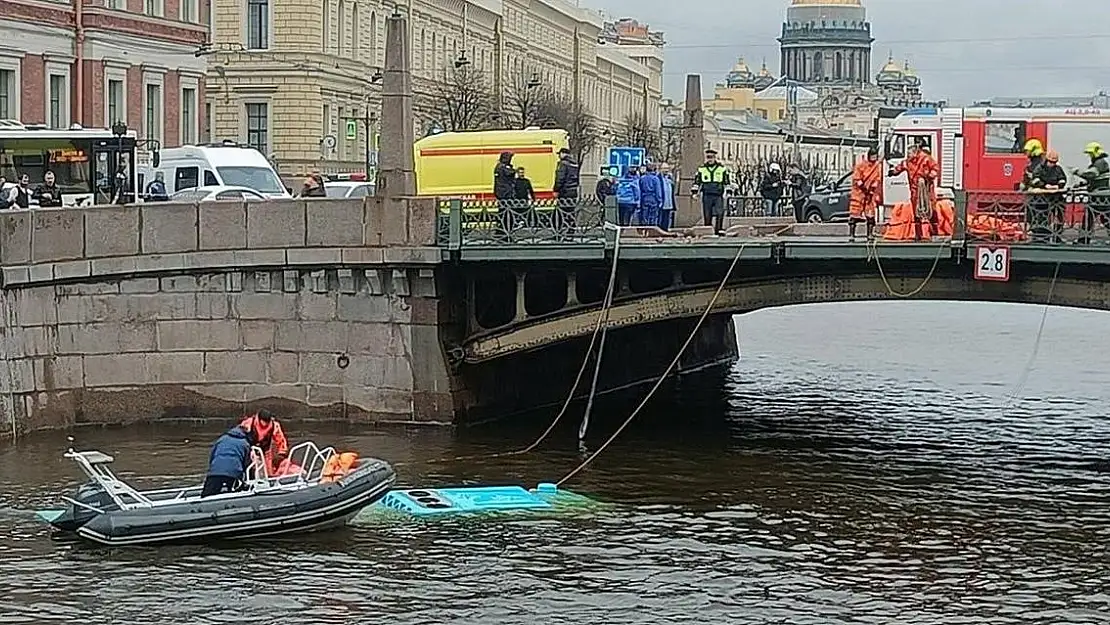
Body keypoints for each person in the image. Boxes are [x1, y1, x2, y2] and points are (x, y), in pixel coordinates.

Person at [889, 142, 939, 241]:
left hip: (926, 189)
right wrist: (892, 172)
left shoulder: (926, 159)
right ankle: (918, 234)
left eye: (909, 153)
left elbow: (935, 169)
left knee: (931, 210)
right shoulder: (907, 162)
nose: (908, 156)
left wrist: (928, 176)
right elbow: (899, 168)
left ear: (915, 152)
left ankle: (934, 233)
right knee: (916, 212)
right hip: (914, 190)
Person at [202, 425, 255, 497]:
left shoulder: (221, 439)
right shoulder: (245, 444)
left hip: (215, 471)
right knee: (235, 491)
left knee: (207, 494)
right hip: (234, 472)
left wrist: (212, 469)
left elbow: (212, 456)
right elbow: (246, 463)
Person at [1075, 142, 1110, 242]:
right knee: (1103, 217)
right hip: (1100, 195)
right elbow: (1096, 179)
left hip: (1100, 196)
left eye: (1090, 153)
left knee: (1089, 217)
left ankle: (1083, 239)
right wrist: (1082, 184)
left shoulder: (1100, 163)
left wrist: (1076, 171)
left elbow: (1091, 174)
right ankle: (1083, 238)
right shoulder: (1100, 162)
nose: (1089, 156)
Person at [238, 409, 289, 475]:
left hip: (266, 451)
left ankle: (269, 479)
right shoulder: (249, 423)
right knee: (249, 468)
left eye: (267, 422)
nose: (265, 424)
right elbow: (240, 436)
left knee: (268, 471)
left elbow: (281, 440)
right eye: (264, 422)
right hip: (249, 450)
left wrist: (282, 453)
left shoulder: (274, 425)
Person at [848, 147, 882, 241]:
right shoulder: (860, 166)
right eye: (872, 156)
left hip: (869, 194)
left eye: (875, 157)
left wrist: (872, 189)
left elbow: (877, 179)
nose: (874, 158)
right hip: (858, 193)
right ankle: (851, 234)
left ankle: (870, 234)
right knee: (854, 214)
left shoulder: (877, 167)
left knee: (870, 214)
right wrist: (862, 187)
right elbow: (856, 178)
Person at [692, 148, 729, 235]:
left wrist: (728, 192)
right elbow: (697, 182)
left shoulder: (721, 168)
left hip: (718, 194)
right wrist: (694, 193)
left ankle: (719, 230)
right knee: (707, 214)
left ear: (715, 157)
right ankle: (707, 230)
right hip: (707, 194)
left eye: (711, 157)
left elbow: (727, 181)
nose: (710, 159)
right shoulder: (702, 169)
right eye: (708, 157)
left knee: (720, 213)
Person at [553, 147, 580, 233]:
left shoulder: (563, 164)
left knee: (560, 213)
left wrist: (556, 190)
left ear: (563, 154)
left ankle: (559, 232)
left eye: (560, 154)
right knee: (570, 211)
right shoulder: (575, 164)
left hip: (564, 191)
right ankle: (571, 229)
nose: (559, 156)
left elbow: (560, 178)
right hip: (573, 191)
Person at [637, 163, 664, 227]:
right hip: (653, 199)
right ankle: (651, 231)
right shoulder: (655, 179)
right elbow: (658, 190)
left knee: (644, 216)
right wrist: (660, 200)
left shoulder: (642, 178)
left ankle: (644, 231)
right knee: (653, 216)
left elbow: (639, 189)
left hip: (644, 198)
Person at [659, 164, 677, 230]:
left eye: (667, 168)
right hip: (661, 203)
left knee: (667, 219)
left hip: (669, 203)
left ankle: (665, 230)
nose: (666, 170)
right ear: (660, 169)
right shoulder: (658, 178)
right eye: (664, 168)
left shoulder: (670, 179)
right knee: (660, 219)